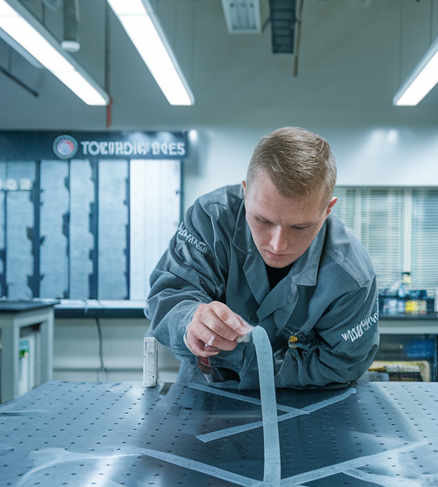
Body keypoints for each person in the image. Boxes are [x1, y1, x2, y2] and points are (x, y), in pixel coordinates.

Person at [145, 127, 379, 388]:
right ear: (245, 192)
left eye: (300, 227)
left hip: (306, 405)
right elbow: (168, 296)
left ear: (328, 210)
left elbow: (343, 363)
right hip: (204, 399)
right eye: (262, 220)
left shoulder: (352, 275)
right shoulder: (210, 220)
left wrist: (239, 359)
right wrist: (190, 320)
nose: (277, 245)